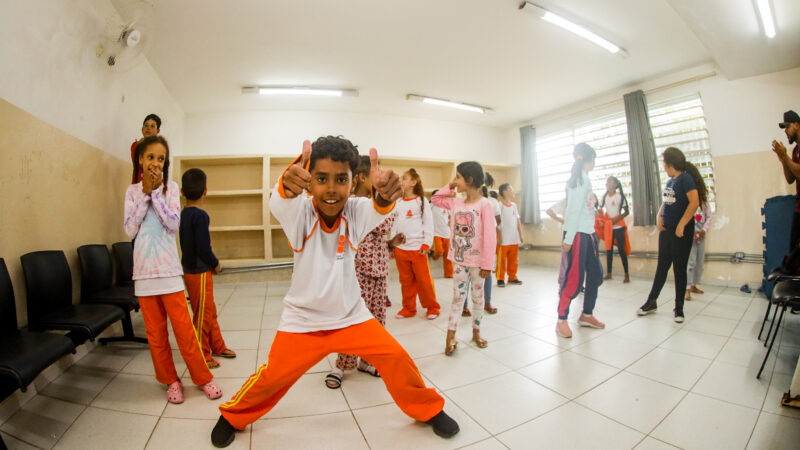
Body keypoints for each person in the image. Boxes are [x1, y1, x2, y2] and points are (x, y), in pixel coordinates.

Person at [211, 137, 458, 447]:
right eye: (321, 178)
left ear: (353, 181)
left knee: (396, 357)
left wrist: (383, 193)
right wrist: (287, 183)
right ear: (309, 180)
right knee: (272, 377)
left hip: (350, 317)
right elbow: (280, 200)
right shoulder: (298, 211)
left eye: (341, 179)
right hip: (303, 321)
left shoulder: (356, 210)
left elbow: (379, 208)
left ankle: (428, 409)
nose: (331, 189)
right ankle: (232, 416)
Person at [124, 136, 222, 404]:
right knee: (156, 336)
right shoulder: (132, 192)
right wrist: (144, 194)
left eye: (161, 159)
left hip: (169, 273)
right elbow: (130, 229)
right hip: (143, 275)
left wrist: (155, 193)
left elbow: (172, 224)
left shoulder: (171, 189)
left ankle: (203, 378)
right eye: (150, 157)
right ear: (141, 160)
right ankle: (170, 381)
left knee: (185, 332)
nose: (155, 163)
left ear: (165, 164)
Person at [325, 155, 403, 389]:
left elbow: (382, 232)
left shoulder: (380, 203)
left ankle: (366, 361)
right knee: (352, 319)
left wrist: (391, 243)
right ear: (360, 177)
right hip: (355, 270)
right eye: (374, 174)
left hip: (378, 267)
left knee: (375, 319)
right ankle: (341, 365)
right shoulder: (348, 203)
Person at [431, 162, 497, 355]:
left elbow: (490, 237)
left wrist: (487, 264)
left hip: (478, 265)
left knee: (478, 299)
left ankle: (476, 332)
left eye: (458, 177)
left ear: (469, 180)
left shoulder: (485, 205)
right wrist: (450, 185)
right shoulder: (456, 202)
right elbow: (435, 198)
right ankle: (450, 336)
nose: (455, 181)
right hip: (459, 261)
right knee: (457, 299)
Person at [179, 168, 236, 369]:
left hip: (190, 270)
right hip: (199, 271)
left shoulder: (183, 214)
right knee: (203, 314)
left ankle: (218, 346)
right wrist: (214, 263)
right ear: (206, 191)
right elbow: (203, 247)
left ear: (182, 192)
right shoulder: (200, 216)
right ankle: (202, 354)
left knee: (208, 310)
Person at [637, 147, 700, 323]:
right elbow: (667, 202)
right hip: (667, 231)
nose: (663, 166)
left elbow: (694, 202)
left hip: (681, 231)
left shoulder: (685, 179)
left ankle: (679, 308)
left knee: (679, 269)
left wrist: (682, 224)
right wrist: (659, 215)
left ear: (670, 163)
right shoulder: (670, 181)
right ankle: (651, 302)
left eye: (664, 163)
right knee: (662, 268)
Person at [557, 143, 606, 338]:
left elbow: (583, 207)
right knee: (574, 280)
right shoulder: (579, 179)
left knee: (596, 275)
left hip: (588, 233)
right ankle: (561, 319)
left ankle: (586, 314)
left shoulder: (585, 179)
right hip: (576, 235)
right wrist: (569, 238)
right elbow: (573, 210)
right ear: (589, 159)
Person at [391, 169, 441, 320]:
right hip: (401, 249)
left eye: (404, 178)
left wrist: (426, 244)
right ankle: (408, 308)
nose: (401, 181)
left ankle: (432, 308)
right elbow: (394, 224)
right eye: (401, 178)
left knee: (424, 281)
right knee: (406, 281)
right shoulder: (397, 202)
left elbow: (429, 225)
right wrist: (393, 244)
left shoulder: (422, 201)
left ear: (414, 182)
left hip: (418, 249)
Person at [772, 110, 800, 249]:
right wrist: (783, 159)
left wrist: (786, 157)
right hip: (799, 208)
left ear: (797, 124)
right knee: (794, 253)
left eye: (788, 127)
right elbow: (790, 179)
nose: (786, 131)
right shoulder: (796, 151)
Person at [599, 176, 630, 282]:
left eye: (610, 182)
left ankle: (626, 274)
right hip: (609, 228)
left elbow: (626, 212)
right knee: (609, 250)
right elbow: (599, 208)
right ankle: (609, 273)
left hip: (619, 227)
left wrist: (615, 221)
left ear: (616, 185)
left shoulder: (619, 196)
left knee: (622, 250)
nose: (607, 183)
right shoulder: (604, 197)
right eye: (606, 182)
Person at [686, 177, 711, 301]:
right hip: (690, 236)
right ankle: (687, 289)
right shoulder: (688, 202)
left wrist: (703, 231)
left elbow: (709, 218)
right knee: (690, 263)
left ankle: (694, 284)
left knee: (699, 263)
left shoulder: (704, 202)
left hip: (701, 236)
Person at [497, 183, 523, 287]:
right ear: (505, 191)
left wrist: (520, 235)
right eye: (511, 189)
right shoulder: (500, 205)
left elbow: (517, 221)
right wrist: (498, 236)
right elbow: (497, 222)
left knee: (514, 260)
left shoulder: (514, 205)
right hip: (503, 239)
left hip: (514, 238)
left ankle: (512, 277)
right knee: (501, 260)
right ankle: (500, 278)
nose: (513, 192)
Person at [131, 114, 161, 184]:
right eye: (146, 125)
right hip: (137, 185)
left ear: (157, 131)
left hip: (154, 186)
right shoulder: (135, 145)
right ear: (142, 129)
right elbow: (138, 163)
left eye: (152, 126)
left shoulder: (160, 147)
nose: (148, 128)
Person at [431, 189, 454, 278]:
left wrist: (450, 221)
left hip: (447, 233)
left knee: (448, 255)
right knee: (439, 250)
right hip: (436, 233)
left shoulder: (445, 205)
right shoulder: (431, 205)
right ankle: (434, 256)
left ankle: (449, 273)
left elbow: (450, 215)